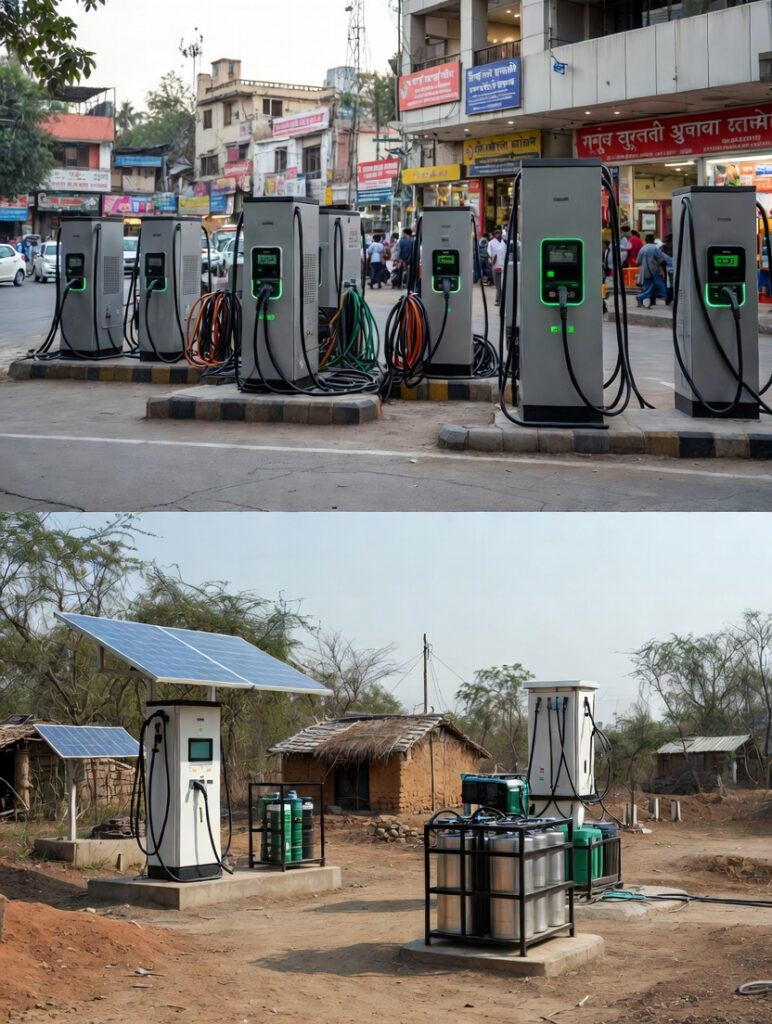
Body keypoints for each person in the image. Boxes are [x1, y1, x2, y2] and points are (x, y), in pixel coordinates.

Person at [636, 233, 673, 308]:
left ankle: (644, 301)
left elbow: (638, 262)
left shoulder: (642, 249)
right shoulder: (655, 248)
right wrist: (663, 271)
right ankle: (666, 299)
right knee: (661, 287)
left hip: (645, 272)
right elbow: (661, 260)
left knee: (648, 288)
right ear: (653, 240)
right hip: (655, 271)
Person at [488, 228, 507, 305]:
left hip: (503, 266)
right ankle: (499, 299)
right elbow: (489, 252)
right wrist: (492, 258)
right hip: (496, 265)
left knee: (502, 283)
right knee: (497, 283)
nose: (498, 235)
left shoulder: (504, 243)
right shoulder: (491, 243)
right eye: (496, 233)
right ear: (494, 235)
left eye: (499, 233)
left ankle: (500, 300)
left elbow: (505, 253)